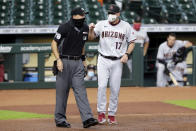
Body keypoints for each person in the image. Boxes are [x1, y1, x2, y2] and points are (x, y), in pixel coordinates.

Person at [51, 7, 98, 128]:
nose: (84, 17)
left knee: (81, 91)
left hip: (77, 62)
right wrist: (58, 60)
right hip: (64, 61)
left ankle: (87, 118)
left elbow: (84, 43)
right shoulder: (64, 27)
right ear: (74, 16)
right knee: (62, 93)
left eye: (84, 15)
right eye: (82, 15)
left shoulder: (85, 27)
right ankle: (60, 119)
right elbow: (54, 43)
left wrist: (83, 59)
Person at [88, 4, 136, 124]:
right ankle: (101, 113)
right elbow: (91, 37)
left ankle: (112, 114)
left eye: (113, 13)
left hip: (118, 61)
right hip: (103, 59)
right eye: (109, 13)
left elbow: (132, 42)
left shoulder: (126, 26)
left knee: (115, 89)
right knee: (102, 86)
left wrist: (127, 54)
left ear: (118, 14)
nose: (111, 15)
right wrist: (90, 30)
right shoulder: (101, 24)